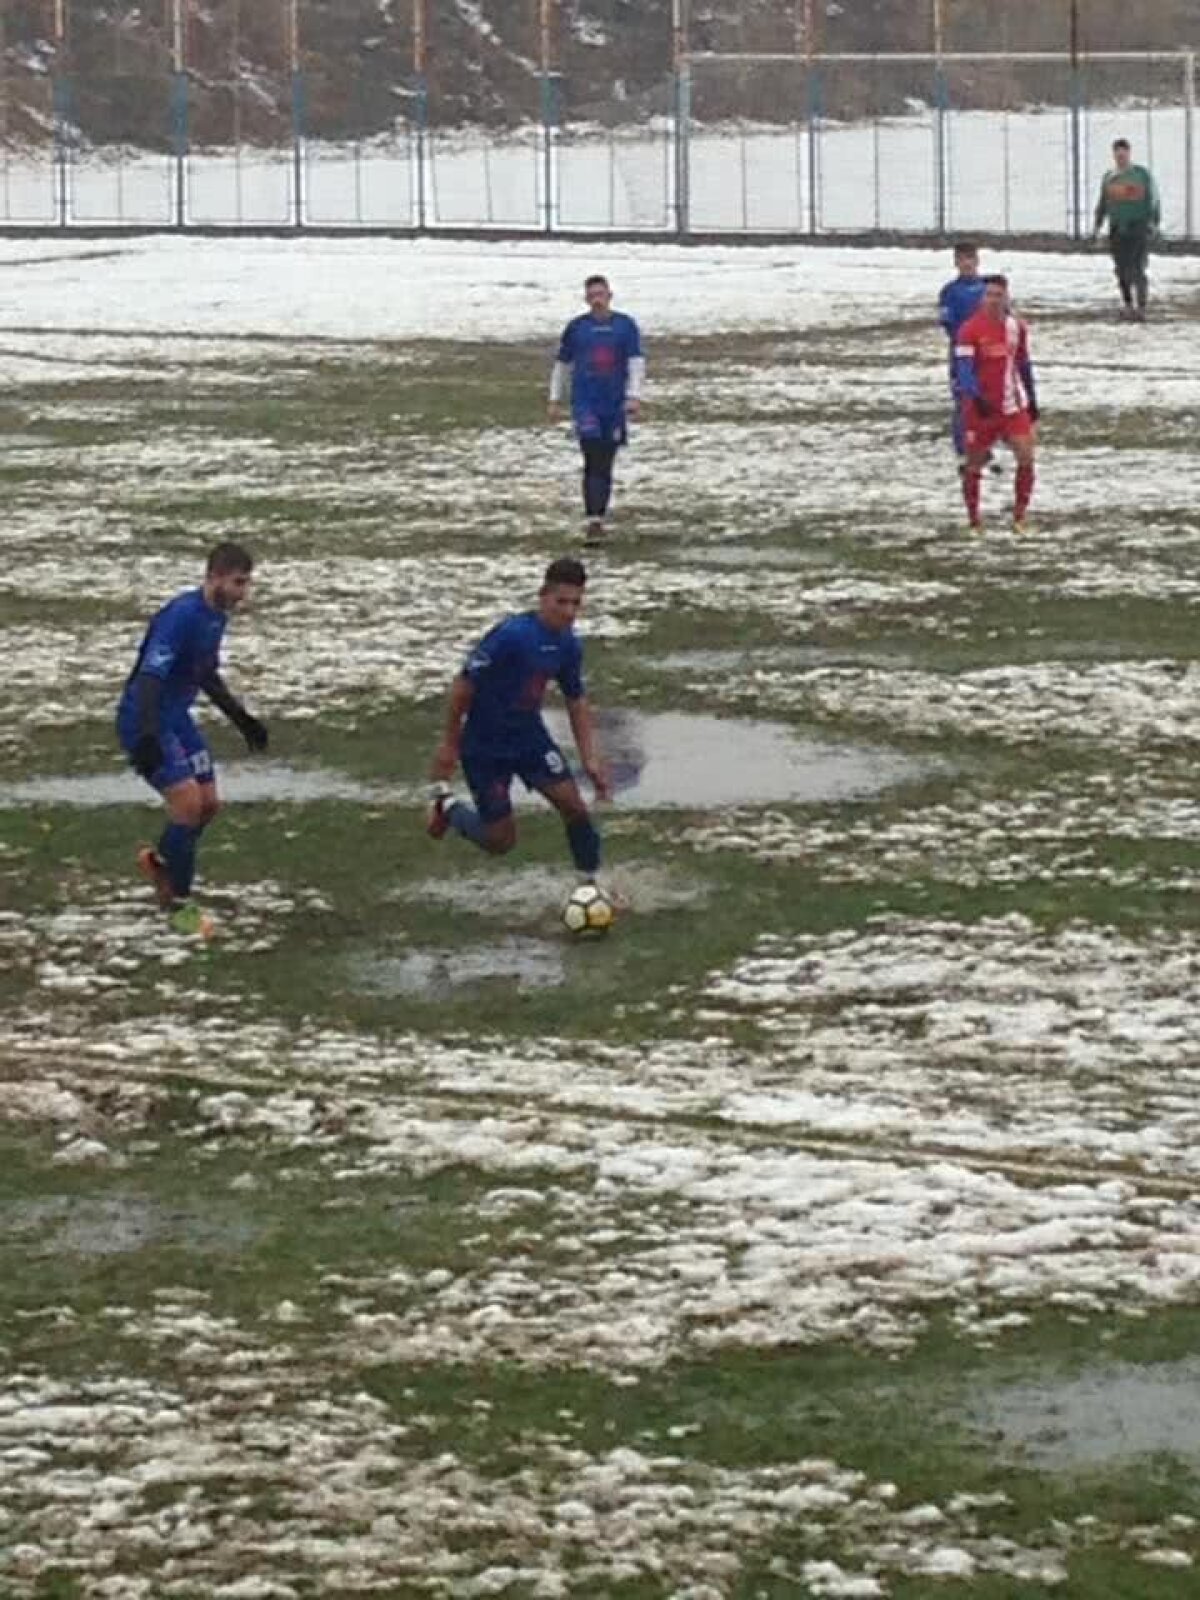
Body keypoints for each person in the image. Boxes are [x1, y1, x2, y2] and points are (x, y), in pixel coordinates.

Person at [116, 543, 268, 936]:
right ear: (215, 576)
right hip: (145, 719)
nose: (243, 592)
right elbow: (150, 678)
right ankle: (179, 907)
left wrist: (240, 718)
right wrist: (148, 735)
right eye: (238, 582)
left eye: (247, 583)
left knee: (209, 805)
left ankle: (163, 862)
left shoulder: (215, 617)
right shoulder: (181, 616)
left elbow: (204, 674)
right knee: (187, 805)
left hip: (176, 719)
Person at [428, 557, 610, 882]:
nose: (569, 612)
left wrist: (589, 757)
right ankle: (449, 807)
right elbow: (462, 687)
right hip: (485, 745)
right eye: (561, 602)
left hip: (529, 738)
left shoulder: (569, 645)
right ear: (543, 597)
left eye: (576, 604)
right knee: (500, 841)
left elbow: (575, 699)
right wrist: (449, 744)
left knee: (574, 807)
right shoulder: (511, 636)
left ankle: (590, 885)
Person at [548, 275, 645, 542]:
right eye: (592, 296)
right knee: (592, 459)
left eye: (601, 294)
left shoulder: (625, 326)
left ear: (609, 295)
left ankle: (599, 513)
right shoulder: (577, 328)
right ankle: (593, 520)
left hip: (613, 405)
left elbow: (636, 362)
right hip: (586, 405)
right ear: (587, 299)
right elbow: (563, 365)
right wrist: (555, 398)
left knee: (606, 460)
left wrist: (634, 396)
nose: (597, 300)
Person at [953, 274, 1039, 535]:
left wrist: (1032, 398)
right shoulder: (969, 329)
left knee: (1026, 456)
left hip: (1013, 406)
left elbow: (1023, 364)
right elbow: (964, 369)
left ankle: (1020, 517)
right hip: (981, 409)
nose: (992, 300)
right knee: (974, 463)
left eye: (997, 295)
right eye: (988, 295)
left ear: (1006, 298)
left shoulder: (1016, 328)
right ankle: (974, 520)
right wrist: (975, 397)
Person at [1093, 138, 1160, 321]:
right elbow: (1103, 203)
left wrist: (1153, 222)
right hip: (1117, 230)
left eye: (1123, 154)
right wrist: (1098, 225)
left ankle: (1141, 307)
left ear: (1129, 153)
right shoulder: (1110, 177)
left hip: (1137, 228)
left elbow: (1153, 200)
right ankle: (1128, 304)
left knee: (1137, 268)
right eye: (1117, 154)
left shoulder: (1140, 175)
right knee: (1121, 269)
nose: (1120, 158)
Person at [937, 241, 987, 466]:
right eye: (962, 259)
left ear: (977, 261)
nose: (967, 264)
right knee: (963, 398)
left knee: (988, 397)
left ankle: (984, 444)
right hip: (962, 353)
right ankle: (962, 447)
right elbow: (947, 323)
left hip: (987, 352)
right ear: (956, 262)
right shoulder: (949, 292)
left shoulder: (988, 289)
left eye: (971, 259)